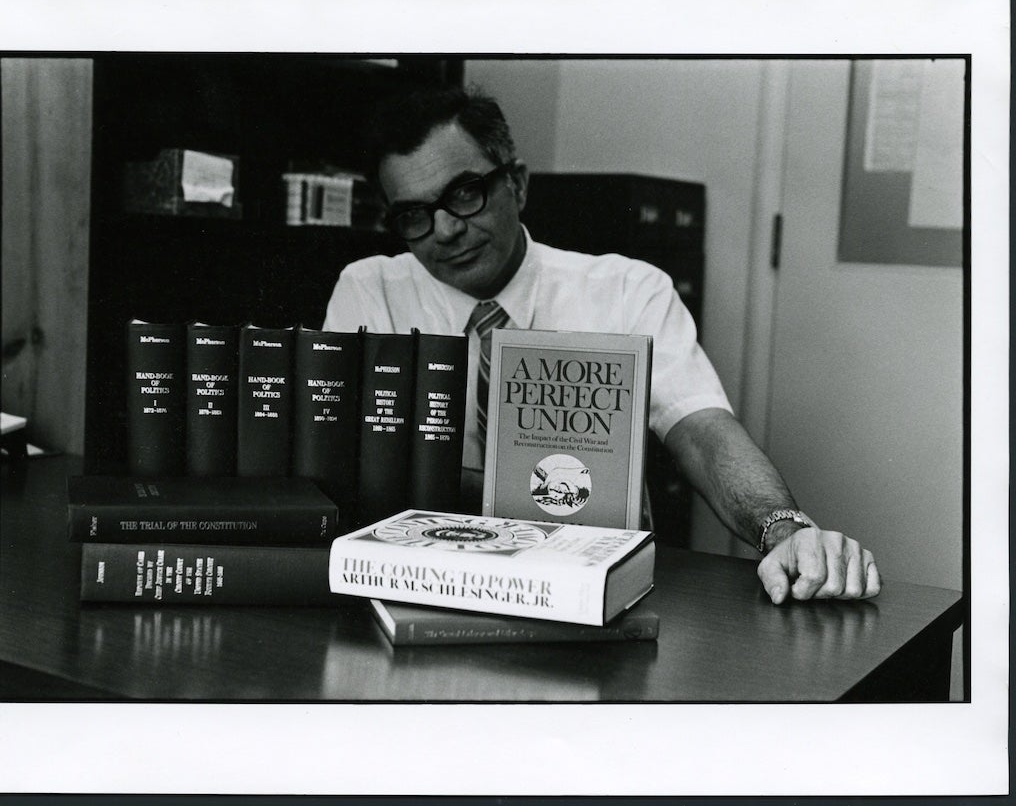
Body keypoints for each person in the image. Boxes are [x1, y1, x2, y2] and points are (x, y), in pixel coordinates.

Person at [324, 85, 881, 605]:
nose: (445, 231)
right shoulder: (369, 289)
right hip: (430, 582)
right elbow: (341, 463)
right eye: (415, 215)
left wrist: (783, 530)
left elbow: (702, 431)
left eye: (464, 193)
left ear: (516, 183)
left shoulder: (627, 290)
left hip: (596, 590)